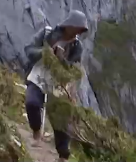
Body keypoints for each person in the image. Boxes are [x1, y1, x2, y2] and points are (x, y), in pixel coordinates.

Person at [23, 10, 90, 161]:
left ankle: (63, 155)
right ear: (69, 25)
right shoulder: (47, 33)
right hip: (39, 75)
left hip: (59, 83)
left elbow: (73, 69)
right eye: (77, 28)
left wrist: (62, 59)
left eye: (80, 30)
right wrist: (47, 52)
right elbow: (29, 49)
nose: (78, 32)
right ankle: (36, 131)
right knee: (32, 102)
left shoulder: (77, 46)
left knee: (61, 118)